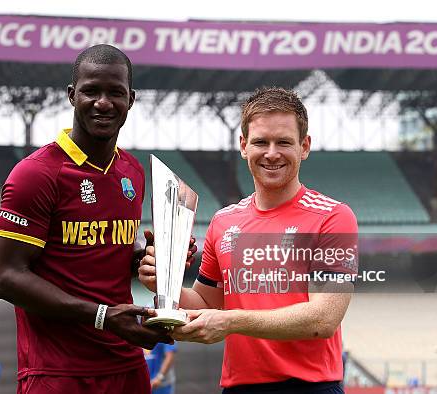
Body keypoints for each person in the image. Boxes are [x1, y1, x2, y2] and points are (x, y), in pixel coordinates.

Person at [140, 87, 358, 393]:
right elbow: (206, 303)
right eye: (260, 142)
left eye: (284, 142)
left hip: (311, 387)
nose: (271, 153)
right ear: (243, 146)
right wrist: (165, 282)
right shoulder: (223, 221)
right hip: (239, 387)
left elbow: (322, 320)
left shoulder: (333, 217)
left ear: (305, 146)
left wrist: (230, 322)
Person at [0, 44, 180, 394]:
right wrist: (103, 317)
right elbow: (5, 278)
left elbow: (106, 255)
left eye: (115, 92)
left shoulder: (132, 172)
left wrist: (150, 258)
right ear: (71, 95)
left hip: (126, 366)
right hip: (57, 372)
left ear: (131, 99)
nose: (103, 102)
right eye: (91, 91)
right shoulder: (36, 174)